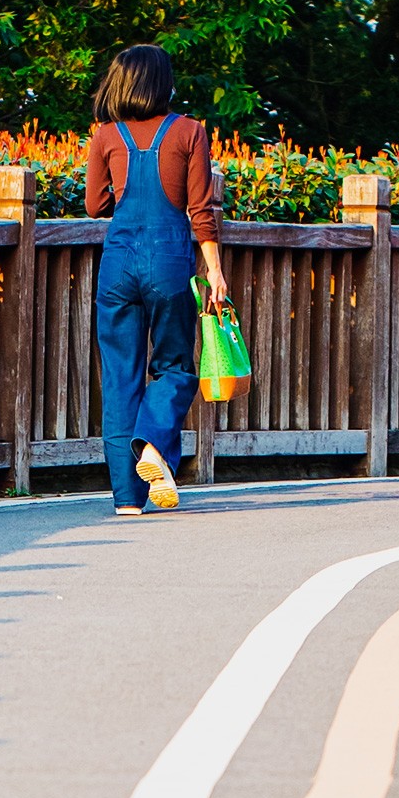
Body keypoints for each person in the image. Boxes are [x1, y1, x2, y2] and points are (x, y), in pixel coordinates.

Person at [84, 43, 230, 516]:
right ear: (163, 82)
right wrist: (214, 270)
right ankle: (152, 446)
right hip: (170, 263)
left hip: (118, 264)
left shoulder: (106, 136)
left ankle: (127, 498)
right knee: (175, 367)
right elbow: (200, 210)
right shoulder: (189, 131)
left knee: (121, 376)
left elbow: (94, 206)